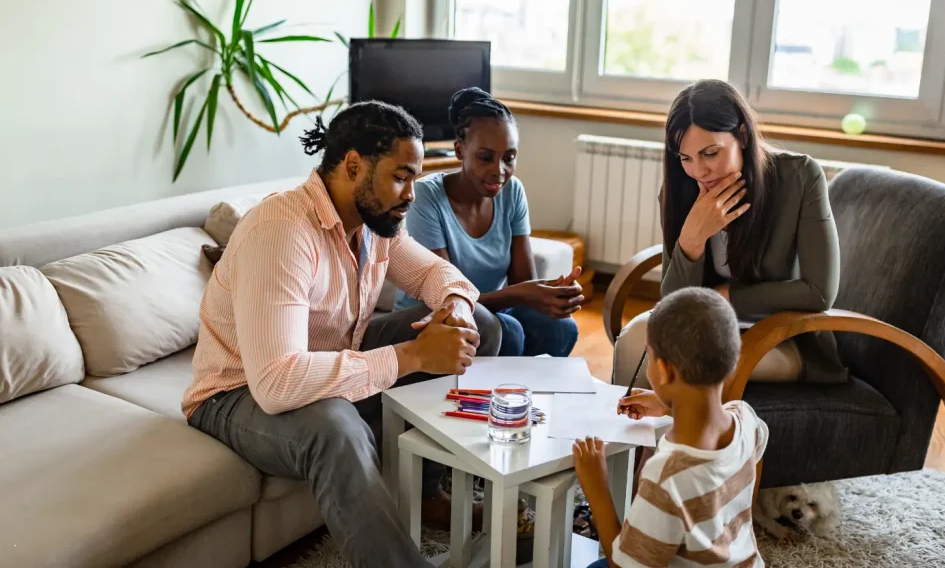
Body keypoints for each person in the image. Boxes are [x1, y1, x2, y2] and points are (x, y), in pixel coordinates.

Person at [181, 101, 502, 568]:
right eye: (401, 176)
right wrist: (410, 356)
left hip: (330, 359)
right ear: (354, 166)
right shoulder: (283, 232)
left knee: (481, 327)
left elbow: (438, 275)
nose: (412, 193)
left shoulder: (376, 224)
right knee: (336, 425)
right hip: (237, 392)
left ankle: (430, 489)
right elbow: (276, 383)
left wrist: (453, 308)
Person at [612, 79, 847, 389]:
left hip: (781, 337)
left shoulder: (799, 177)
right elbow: (672, 302)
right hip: (707, 327)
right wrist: (692, 240)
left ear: (743, 136)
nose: (698, 171)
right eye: (685, 158)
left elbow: (819, 291)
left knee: (685, 360)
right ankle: (632, 436)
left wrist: (726, 297)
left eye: (710, 153)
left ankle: (676, 436)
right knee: (633, 341)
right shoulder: (679, 191)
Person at [575, 287, 768, 568]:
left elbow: (623, 565)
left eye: (649, 357)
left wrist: (597, 487)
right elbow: (730, 449)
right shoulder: (745, 418)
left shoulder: (666, 474)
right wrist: (669, 405)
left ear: (664, 370)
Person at [396, 87, 583, 358]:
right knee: (508, 330)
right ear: (460, 150)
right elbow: (445, 297)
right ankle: (488, 399)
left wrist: (553, 292)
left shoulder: (512, 191)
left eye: (509, 157)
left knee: (561, 327)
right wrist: (524, 294)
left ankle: (522, 397)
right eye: (486, 157)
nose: (499, 170)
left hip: (489, 309)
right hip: (431, 314)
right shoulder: (426, 196)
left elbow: (522, 283)